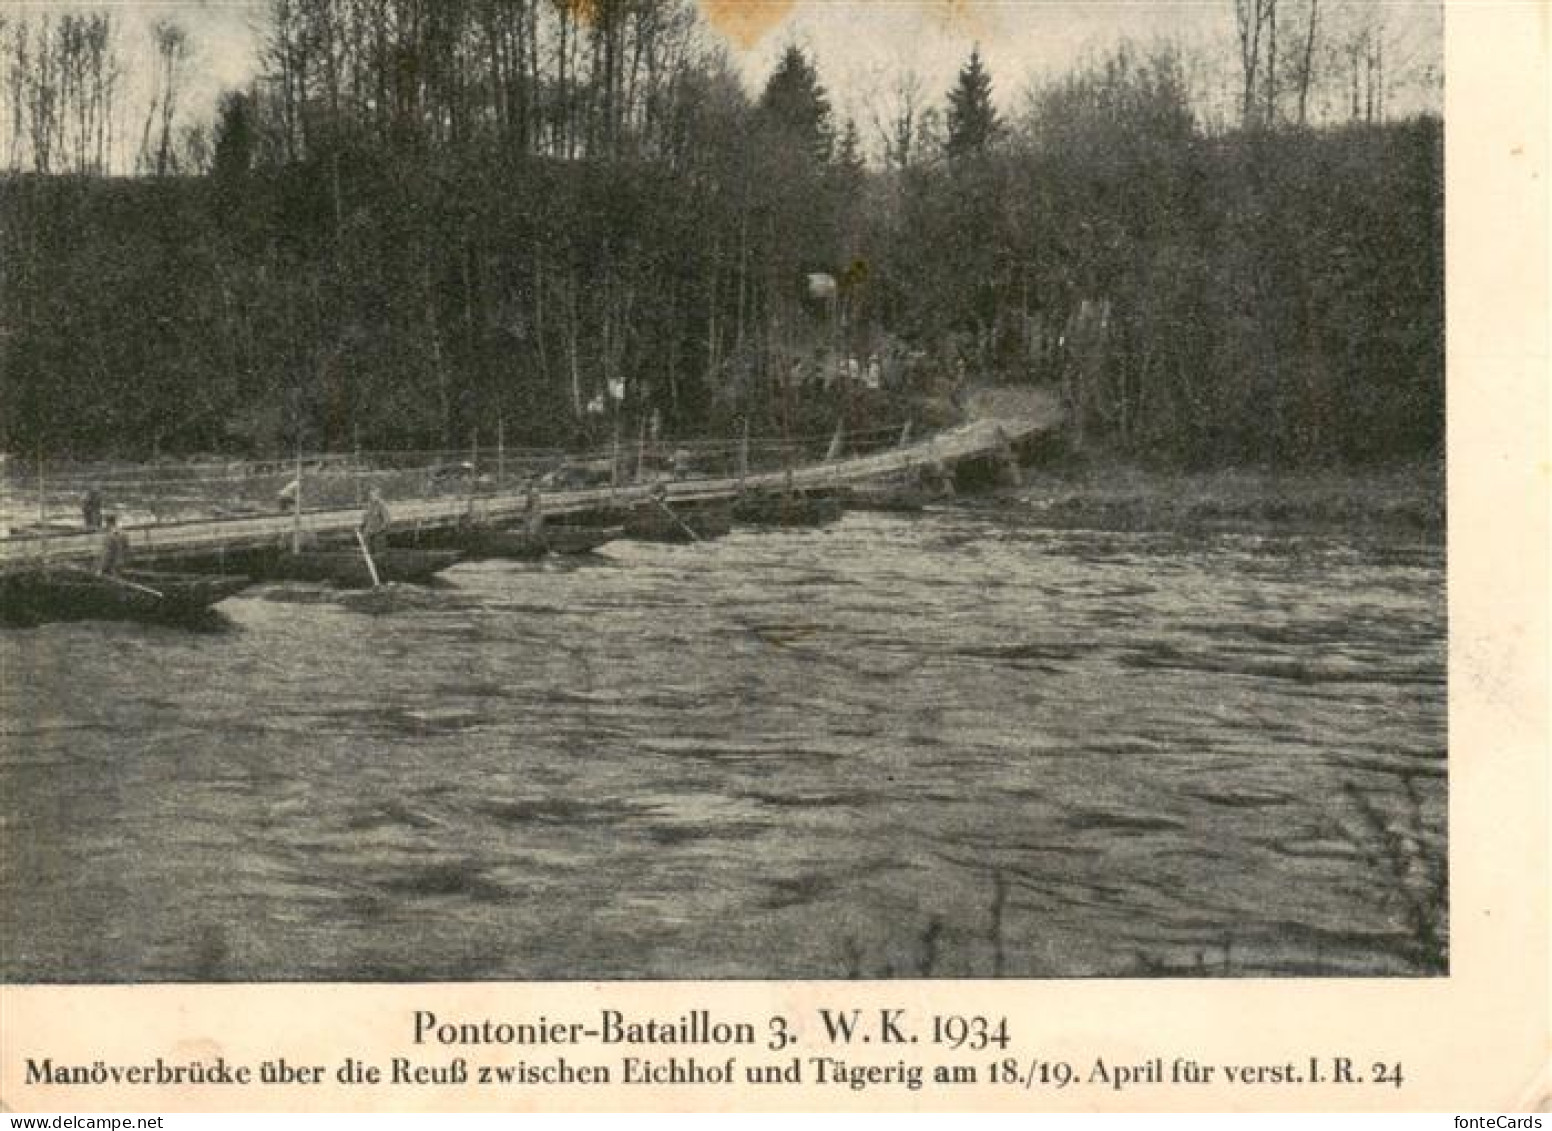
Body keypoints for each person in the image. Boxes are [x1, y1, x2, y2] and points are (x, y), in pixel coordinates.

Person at [358, 487, 391, 552]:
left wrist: (378, 531)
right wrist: (361, 527)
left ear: (378, 495)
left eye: (374, 495)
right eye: (371, 495)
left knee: (379, 555)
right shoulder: (369, 505)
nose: (372, 497)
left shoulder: (382, 505)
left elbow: (387, 521)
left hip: (377, 537)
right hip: (368, 536)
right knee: (368, 553)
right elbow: (366, 520)